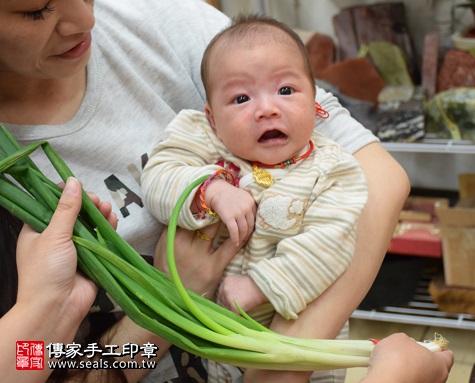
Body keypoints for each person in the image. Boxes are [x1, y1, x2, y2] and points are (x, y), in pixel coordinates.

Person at [0, 0, 416, 382]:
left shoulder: (152, 19)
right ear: (211, 118)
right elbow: (33, 361)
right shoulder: (197, 133)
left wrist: (279, 366)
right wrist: (166, 299)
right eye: (36, 10)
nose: (87, 19)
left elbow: (376, 182)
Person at [141, 15, 369, 383]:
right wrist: (210, 190)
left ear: (316, 102)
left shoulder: (333, 170)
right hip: (199, 350)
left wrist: (260, 285)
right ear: (213, 119)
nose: (267, 109)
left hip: (292, 346)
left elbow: (329, 245)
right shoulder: (202, 138)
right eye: (241, 98)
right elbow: (157, 177)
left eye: (286, 91)